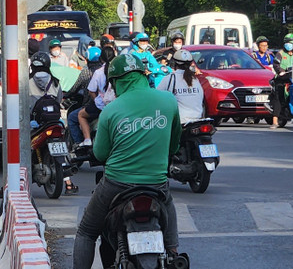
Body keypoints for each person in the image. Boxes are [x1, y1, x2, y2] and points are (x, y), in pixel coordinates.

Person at [73, 54, 181, 269]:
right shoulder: (168, 101)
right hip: (156, 183)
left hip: (117, 183)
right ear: (143, 75)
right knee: (168, 203)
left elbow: (101, 154)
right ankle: (173, 254)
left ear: (115, 82)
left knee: (86, 231)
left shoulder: (111, 110)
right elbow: (174, 145)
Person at [30, 61, 78, 195]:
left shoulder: (26, 82)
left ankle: (12, 183)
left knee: (20, 148)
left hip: (35, 124)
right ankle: (68, 184)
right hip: (54, 122)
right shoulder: (55, 82)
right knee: (62, 149)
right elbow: (59, 100)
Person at [77, 46, 118, 147]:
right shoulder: (118, 71)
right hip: (117, 105)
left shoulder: (98, 72)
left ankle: (87, 140)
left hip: (101, 106)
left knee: (81, 115)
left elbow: (91, 91)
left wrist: (98, 101)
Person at [158, 50, 205, 124]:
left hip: (179, 122)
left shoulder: (170, 78)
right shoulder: (195, 80)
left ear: (174, 63)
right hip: (197, 119)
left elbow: (158, 97)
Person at [271, 34, 293, 128]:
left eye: (290, 43)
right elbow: (276, 64)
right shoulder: (280, 53)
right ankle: (275, 121)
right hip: (282, 79)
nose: (288, 45)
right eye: (286, 43)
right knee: (279, 98)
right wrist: (281, 71)